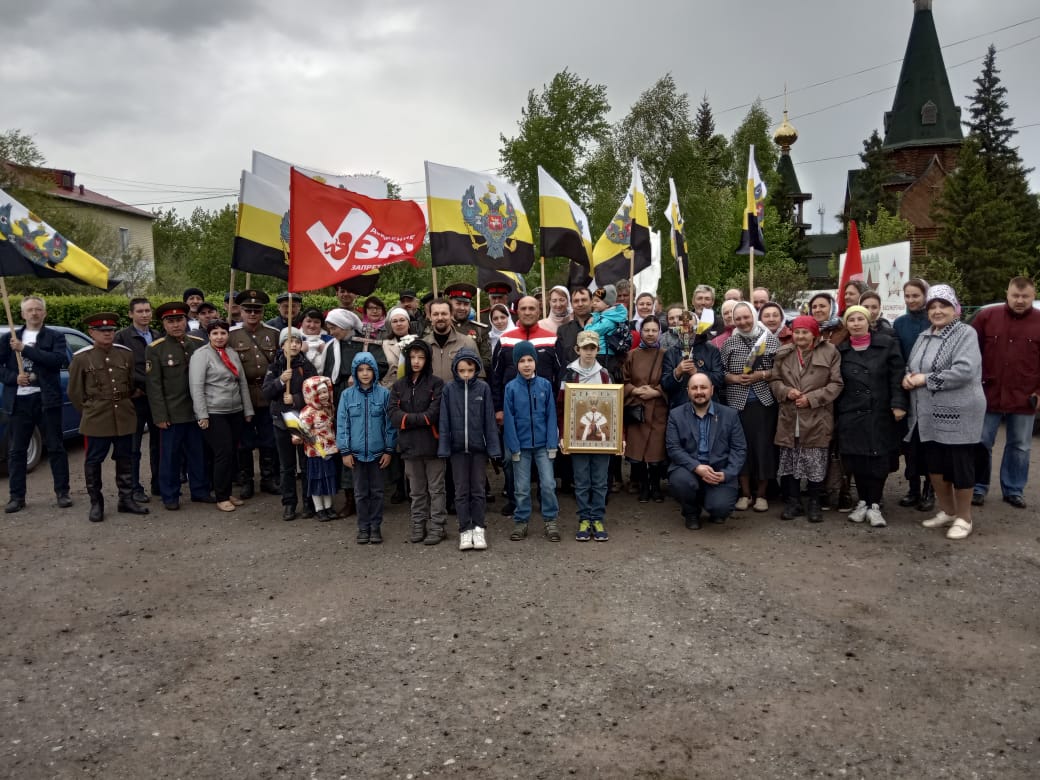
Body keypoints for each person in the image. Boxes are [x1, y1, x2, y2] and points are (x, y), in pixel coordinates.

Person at [902, 284, 986, 541]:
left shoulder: (965, 334)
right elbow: (912, 364)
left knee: (960, 465)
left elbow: (964, 371)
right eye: (933, 307)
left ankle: (964, 517)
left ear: (955, 309)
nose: (937, 311)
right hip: (927, 413)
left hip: (960, 412)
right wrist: (908, 377)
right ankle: (948, 511)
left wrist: (924, 379)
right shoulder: (924, 335)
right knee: (935, 465)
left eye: (943, 306)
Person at [67, 312, 148, 521]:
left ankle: (126, 499)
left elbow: (130, 385)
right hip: (97, 417)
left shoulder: (125, 354)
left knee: (126, 458)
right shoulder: (81, 358)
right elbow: (75, 393)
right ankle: (96, 502)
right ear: (91, 332)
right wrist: (89, 411)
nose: (108, 334)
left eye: (111, 330)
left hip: (123, 414)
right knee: (94, 461)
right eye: (102, 331)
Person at [971, 276, 1040, 509]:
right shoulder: (986, 317)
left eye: (1025, 296)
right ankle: (978, 487)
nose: (1019, 300)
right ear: (1007, 293)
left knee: (1020, 446)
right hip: (988, 393)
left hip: (1025, 396)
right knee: (981, 442)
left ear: (1033, 296)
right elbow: (969, 353)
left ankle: (1013, 489)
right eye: (1015, 295)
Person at [835, 306, 907, 527]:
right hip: (851, 413)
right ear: (846, 325)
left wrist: (898, 404)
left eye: (860, 319)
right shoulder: (841, 350)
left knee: (878, 460)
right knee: (857, 460)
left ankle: (874, 504)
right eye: (851, 320)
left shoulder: (886, 344)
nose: (856, 323)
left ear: (869, 321)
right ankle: (862, 502)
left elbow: (897, 376)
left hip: (879, 412)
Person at [1, 295, 71, 513]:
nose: (34, 313)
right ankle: (16, 497)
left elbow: (57, 360)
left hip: (46, 400)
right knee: (17, 451)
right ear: (22, 314)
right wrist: (14, 378)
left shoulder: (55, 337)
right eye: (29, 310)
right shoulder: (9, 338)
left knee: (56, 447)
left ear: (44, 313)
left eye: (38, 309)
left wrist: (25, 349)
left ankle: (62, 492)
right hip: (20, 401)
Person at [491, 295, 560, 515]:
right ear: (517, 311)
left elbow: (561, 375)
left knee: (544, 459)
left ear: (539, 311)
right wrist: (498, 409)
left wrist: (555, 409)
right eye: (524, 308)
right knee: (511, 460)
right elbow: (495, 377)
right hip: (512, 414)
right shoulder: (505, 340)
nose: (528, 312)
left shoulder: (552, 339)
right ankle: (514, 500)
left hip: (542, 413)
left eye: (532, 308)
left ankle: (543, 497)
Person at [770, 315, 843, 522]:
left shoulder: (830, 352)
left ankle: (814, 503)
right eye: (797, 332)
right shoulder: (783, 352)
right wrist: (786, 392)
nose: (801, 336)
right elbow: (774, 380)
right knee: (790, 460)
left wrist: (811, 399)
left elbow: (836, 384)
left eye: (805, 332)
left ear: (814, 334)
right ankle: (793, 502)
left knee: (815, 462)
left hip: (817, 416)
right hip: (789, 416)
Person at [146, 302, 211, 510]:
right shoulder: (155, 349)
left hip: (196, 411)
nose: (176, 325)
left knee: (198, 454)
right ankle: (170, 495)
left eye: (179, 320)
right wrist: (160, 416)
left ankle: (200, 490)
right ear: (163, 324)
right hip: (172, 413)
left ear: (186, 320)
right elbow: (154, 386)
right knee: (170, 457)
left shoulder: (198, 343)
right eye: (170, 321)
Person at [438, 348, 500, 551]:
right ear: (456, 370)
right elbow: (444, 420)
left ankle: (479, 528)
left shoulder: (483, 388)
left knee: (478, 490)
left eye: (470, 370)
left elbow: (489, 420)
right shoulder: (448, 390)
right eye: (462, 370)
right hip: (457, 450)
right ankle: (465, 530)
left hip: (478, 449)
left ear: (476, 370)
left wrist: (493, 448)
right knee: (461, 491)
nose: (466, 374)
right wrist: (444, 447)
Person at [666, 373, 747, 529]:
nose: (699, 392)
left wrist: (727, 474)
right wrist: (697, 467)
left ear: (712, 389)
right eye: (694, 388)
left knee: (720, 508)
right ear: (688, 391)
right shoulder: (676, 415)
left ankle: (712, 505)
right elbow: (673, 448)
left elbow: (739, 449)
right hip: (689, 469)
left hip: (719, 471)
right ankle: (691, 512)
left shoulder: (730, 415)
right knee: (682, 482)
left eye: (703, 387)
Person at [189, 319, 253, 513]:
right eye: (215, 333)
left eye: (223, 333)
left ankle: (226, 490)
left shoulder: (232, 353)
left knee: (232, 452)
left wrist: (248, 409)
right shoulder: (201, 355)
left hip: (235, 410)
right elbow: (196, 386)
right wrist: (202, 414)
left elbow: (242, 383)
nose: (219, 337)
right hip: (214, 411)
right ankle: (221, 495)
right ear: (209, 336)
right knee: (222, 453)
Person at [721, 302, 780, 512]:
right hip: (738, 404)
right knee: (741, 448)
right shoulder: (729, 343)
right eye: (738, 319)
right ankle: (745, 493)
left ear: (754, 316)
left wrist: (760, 375)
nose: (743, 322)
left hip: (764, 402)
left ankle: (761, 494)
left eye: (747, 317)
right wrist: (735, 379)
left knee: (763, 448)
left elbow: (780, 370)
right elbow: (722, 374)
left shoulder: (770, 340)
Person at [389, 339, 446, 545]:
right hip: (409, 446)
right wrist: (417, 419)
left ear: (427, 359)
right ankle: (418, 524)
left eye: (421, 357)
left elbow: (434, 414)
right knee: (416, 490)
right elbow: (394, 415)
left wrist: (410, 419)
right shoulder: (398, 386)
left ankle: (437, 526)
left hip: (432, 444)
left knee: (436, 488)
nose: (416, 361)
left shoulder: (436, 384)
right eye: (412, 357)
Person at [503, 341, 561, 541]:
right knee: (522, 488)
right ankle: (521, 521)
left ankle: (550, 520)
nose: (526, 364)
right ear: (516, 364)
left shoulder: (544, 385)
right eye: (522, 361)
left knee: (547, 484)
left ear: (535, 362)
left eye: (530, 360)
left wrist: (553, 443)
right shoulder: (510, 388)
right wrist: (514, 446)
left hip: (544, 445)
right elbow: (509, 420)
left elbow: (551, 415)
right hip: (521, 446)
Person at [559, 330, 613, 541]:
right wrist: (563, 434)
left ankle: (597, 518)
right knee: (581, 481)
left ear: (598, 350)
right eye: (585, 348)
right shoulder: (569, 374)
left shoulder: (605, 375)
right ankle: (583, 518)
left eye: (592, 348)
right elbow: (561, 407)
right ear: (577, 349)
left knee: (600, 481)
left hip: (602, 439)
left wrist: (619, 436)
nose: (588, 352)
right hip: (578, 437)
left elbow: (614, 409)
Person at [337, 352, 396, 544]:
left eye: (369, 369)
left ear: (375, 371)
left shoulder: (384, 394)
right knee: (360, 493)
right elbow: (342, 424)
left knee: (377, 492)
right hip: (356, 455)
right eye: (360, 370)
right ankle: (363, 527)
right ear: (355, 372)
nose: (364, 374)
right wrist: (345, 450)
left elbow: (389, 425)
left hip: (378, 454)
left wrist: (389, 450)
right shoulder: (347, 395)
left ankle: (376, 526)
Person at [228, 290, 281, 499]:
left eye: (256, 310)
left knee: (269, 439)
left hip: (268, 393)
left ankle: (268, 479)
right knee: (245, 440)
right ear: (240, 311)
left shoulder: (273, 333)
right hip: (244, 393)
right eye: (248, 310)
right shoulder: (231, 335)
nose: (252, 314)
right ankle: (247, 480)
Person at [263, 327, 317, 521]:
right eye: (289, 341)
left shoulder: (307, 366)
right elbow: (266, 392)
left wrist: (295, 398)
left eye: (297, 341)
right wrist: (280, 381)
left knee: (306, 463)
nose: (293, 344)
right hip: (281, 422)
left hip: (302, 422)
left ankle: (309, 503)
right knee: (287, 466)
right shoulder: (275, 366)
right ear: (282, 344)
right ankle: (289, 503)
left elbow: (315, 394)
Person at [892, 278, 934, 511]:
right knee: (909, 443)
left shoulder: (934, 320)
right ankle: (913, 488)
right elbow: (897, 357)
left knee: (929, 442)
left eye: (915, 295)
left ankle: (930, 488)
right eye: (907, 296)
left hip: (931, 389)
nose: (911, 300)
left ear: (925, 296)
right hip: (908, 388)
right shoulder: (900, 323)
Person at [114, 297, 160, 504]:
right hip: (136, 399)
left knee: (158, 443)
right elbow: (119, 368)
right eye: (140, 311)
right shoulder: (121, 337)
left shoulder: (158, 335)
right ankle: (134, 487)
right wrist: (135, 388)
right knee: (132, 447)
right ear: (131, 314)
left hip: (157, 399)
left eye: (147, 311)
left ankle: (158, 482)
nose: (144, 314)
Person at [622, 318, 668, 502]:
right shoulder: (631, 355)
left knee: (656, 451)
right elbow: (624, 380)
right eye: (646, 330)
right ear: (641, 332)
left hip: (658, 408)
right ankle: (642, 486)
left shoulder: (666, 355)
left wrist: (657, 392)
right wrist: (634, 390)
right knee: (639, 451)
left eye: (654, 330)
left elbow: (672, 380)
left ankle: (655, 486)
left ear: (659, 332)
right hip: (637, 407)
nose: (650, 333)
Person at [295, 376, 340, 521]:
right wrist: (299, 437)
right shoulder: (307, 412)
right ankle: (319, 508)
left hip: (329, 450)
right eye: (320, 393)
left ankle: (328, 506)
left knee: (328, 480)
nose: (324, 395)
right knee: (316, 481)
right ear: (311, 394)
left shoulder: (329, 408)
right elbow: (302, 432)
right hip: (315, 452)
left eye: (325, 391)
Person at [661, 309, 724, 408]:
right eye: (682, 327)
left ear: (696, 327)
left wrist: (697, 372)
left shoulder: (711, 350)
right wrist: (677, 372)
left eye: (690, 327)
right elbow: (665, 384)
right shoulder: (671, 353)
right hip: (681, 407)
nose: (686, 331)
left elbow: (719, 380)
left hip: (709, 406)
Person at [586, 285, 629, 380]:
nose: (594, 303)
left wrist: (589, 324)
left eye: (597, 301)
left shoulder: (609, 320)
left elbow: (591, 332)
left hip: (604, 355)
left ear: (607, 304)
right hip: (600, 352)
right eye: (593, 301)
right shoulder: (605, 316)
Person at [445, 283, 492, 370]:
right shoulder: (442, 327)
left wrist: (467, 369)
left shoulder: (480, 329)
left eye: (466, 304)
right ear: (449, 304)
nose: (462, 308)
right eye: (458, 304)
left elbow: (487, 360)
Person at [555, 287, 594, 379]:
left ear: (591, 302)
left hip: (597, 382)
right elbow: (560, 362)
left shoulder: (603, 326)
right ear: (571, 304)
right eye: (576, 301)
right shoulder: (563, 331)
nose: (580, 304)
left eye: (584, 300)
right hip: (572, 382)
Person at [380, 307, 413, 389]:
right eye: (395, 321)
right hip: (389, 390)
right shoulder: (383, 345)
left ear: (408, 323)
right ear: (391, 325)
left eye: (402, 320)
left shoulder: (418, 344)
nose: (399, 324)